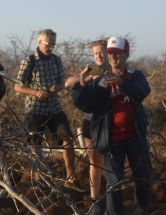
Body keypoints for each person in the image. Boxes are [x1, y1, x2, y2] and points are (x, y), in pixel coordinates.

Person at [71, 36, 152, 215]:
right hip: (111, 141)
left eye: (118, 54)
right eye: (111, 54)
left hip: (135, 137)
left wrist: (122, 83)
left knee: (143, 179)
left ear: (126, 54)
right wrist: (82, 84)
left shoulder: (134, 75)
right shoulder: (100, 81)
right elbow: (86, 105)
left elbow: (142, 92)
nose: (114, 57)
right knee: (114, 183)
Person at [14, 29, 85, 192]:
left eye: (53, 43)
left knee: (68, 139)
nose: (51, 47)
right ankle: (39, 181)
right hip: (35, 109)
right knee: (35, 145)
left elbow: (62, 81)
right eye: (49, 43)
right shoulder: (29, 61)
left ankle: (70, 178)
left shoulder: (56, 60)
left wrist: (57, 87)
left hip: (54, 107)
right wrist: (36, 92)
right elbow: (17, 87)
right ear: (39, 42)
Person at [66, 39, 109, 215]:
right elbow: (69, 82)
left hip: (110, 123)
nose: (98, 56)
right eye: (95, 53)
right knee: (95, 162)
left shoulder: (116, 69)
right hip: (90, 122)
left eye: (101, 52)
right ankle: (95, 202)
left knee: (113, 164)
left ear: (109, 52)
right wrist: (83, 78)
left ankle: (111, 203)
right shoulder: (93, 69)